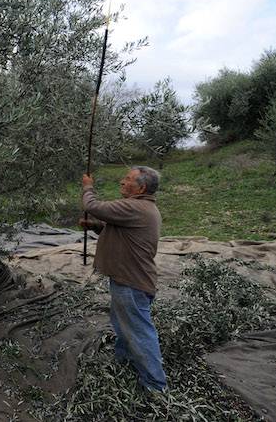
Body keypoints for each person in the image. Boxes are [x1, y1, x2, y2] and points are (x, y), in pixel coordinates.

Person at [80, 166, 167, 392]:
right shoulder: (143, 208)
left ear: (141, 187)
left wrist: (88, 187)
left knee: (139, 332)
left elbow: (93, 206)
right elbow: (122, 232)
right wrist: (96, 227)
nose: (122, 181)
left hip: (131, 283)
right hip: (128, 280)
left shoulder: (135, 207)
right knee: (124, 326)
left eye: (127, 179)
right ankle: (124, 362)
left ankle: (156, 386)